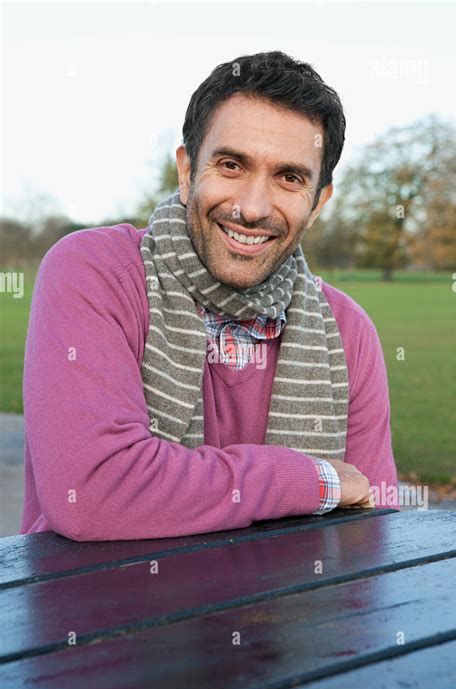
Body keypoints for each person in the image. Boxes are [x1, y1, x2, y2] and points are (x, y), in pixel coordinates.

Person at [20, 51, 398, 541]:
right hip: (97, 612)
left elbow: (370, 533)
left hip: (286, 616)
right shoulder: (93, 272)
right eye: (231, 164)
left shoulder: (348, 331)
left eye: (290, 177)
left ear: (318, 202)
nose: (252, 208)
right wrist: (313, 479)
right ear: (186, 171)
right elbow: (95, 493)